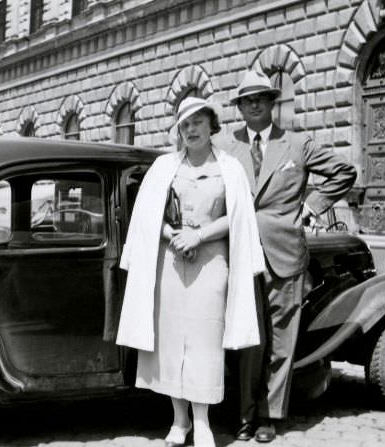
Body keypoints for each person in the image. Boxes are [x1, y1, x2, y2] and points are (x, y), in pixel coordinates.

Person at [116, 97, 266, 447]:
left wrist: (199, 234)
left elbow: (238, 216)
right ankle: (179, 421)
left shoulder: (230, 168)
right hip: (171, 261)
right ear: (178, 132)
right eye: (185, 124)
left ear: (211, 125)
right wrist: (174, 235)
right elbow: (150, 214)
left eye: (198, 122)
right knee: (170, 342)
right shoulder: (164, 167)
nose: (192, 129)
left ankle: (203, 423)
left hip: (212, 263)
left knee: (204, 342)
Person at [226, 70, 357, 443]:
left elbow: (344, 172)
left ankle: (269, 416)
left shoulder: (297, 144)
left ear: (272, 103)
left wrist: (312, 207)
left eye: (261, 98)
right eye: (246, 99)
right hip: (237, 254)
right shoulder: (226, 144)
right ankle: (243, 414)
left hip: (283, 255)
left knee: (281, 340)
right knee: (246, 339)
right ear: (239, 107)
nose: (254, 104)